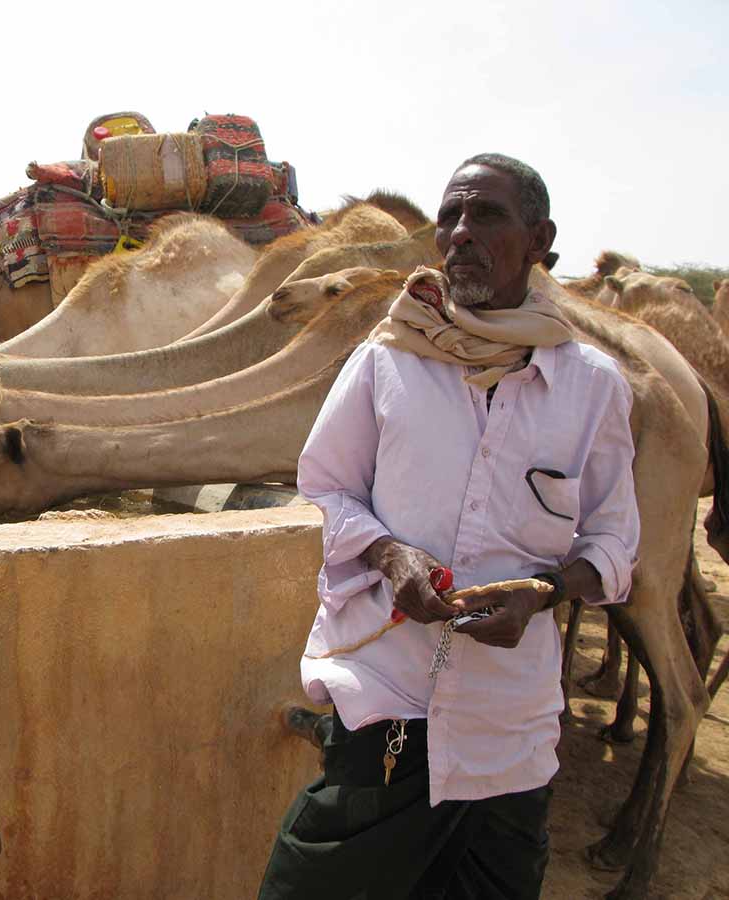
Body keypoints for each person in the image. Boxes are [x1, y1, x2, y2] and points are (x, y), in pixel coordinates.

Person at [256, 153, 640, 900]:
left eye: (486, 216)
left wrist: (545, 591)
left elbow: (614, 545)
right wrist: (389, 553)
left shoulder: (592, 388)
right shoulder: (386, 360)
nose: (460, 233)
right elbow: (326, 487)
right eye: (450, 217)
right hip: (387, 705)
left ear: (540, 240)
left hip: (510, 730)